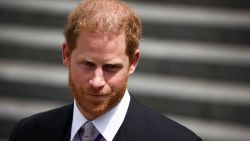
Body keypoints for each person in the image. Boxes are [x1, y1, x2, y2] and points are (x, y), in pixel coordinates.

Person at [9, 0, 202, 141]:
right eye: (87, 64)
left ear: (133, 62)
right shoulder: (27, 133)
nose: (97, 81)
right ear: (66, 54)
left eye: (111, 67)